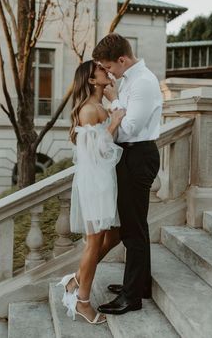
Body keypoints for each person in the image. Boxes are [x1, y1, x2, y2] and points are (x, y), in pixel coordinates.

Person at [92, 33, 162, 315]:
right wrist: (116, 103)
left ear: (122, 60)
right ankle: (139, 284)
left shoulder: (143, 82)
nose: (108, 72)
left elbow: (130, 127)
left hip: (139, 154)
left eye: (109, 67)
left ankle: (132, 297)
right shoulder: (130, 80)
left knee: (133, 230)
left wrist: (113, 101)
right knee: (135, 225)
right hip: (130, 155)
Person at [57, 60, 126, 325]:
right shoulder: (88, 111)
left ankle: (76, 278)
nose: (106, 71)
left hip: (104, 180)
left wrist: (115, 104)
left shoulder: (100, 107)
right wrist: (114, 122)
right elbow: (94, 153)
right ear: (91, 80)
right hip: (94, 182)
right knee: (94, 241)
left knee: (115, 234)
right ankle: (82, 302)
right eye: (100, 70)